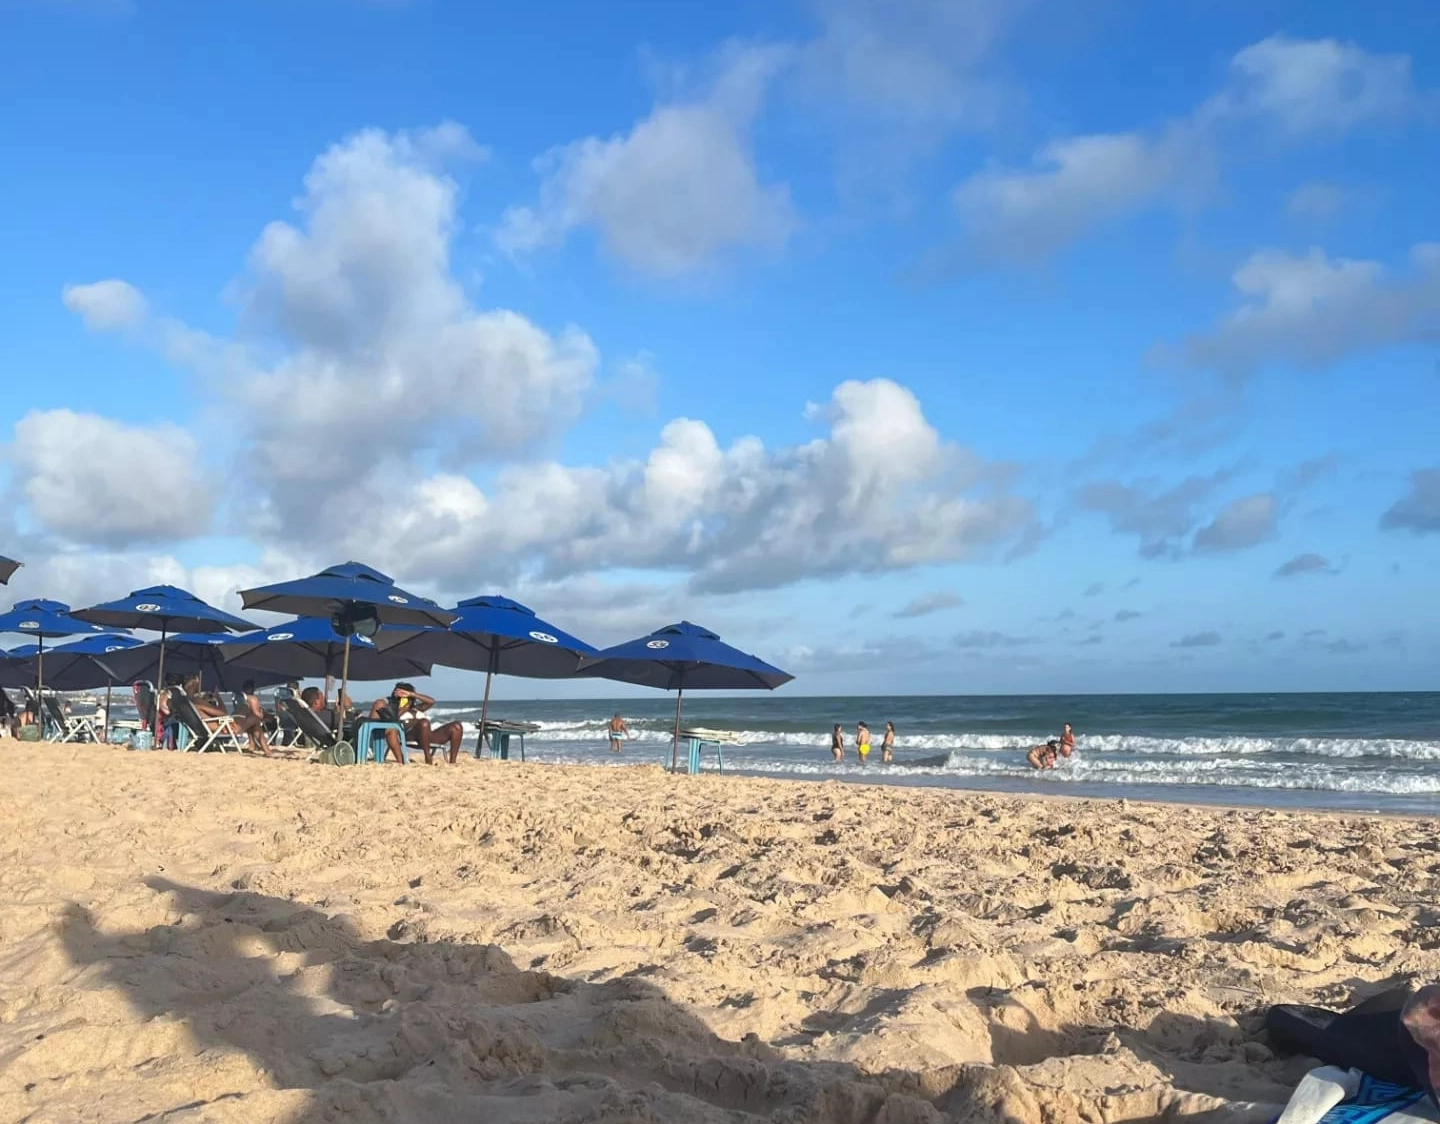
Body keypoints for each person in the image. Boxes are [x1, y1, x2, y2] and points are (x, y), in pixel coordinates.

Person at [371, 682, 465, 764]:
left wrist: (412, 694)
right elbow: (394, 720)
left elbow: (431, 701)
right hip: (411, 735)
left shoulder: (417, 708)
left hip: (428, 736)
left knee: (456, 726)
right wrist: (404, 708)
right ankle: (428, 757)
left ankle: (453, 761)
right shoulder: (393, 710)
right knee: (424, 723)